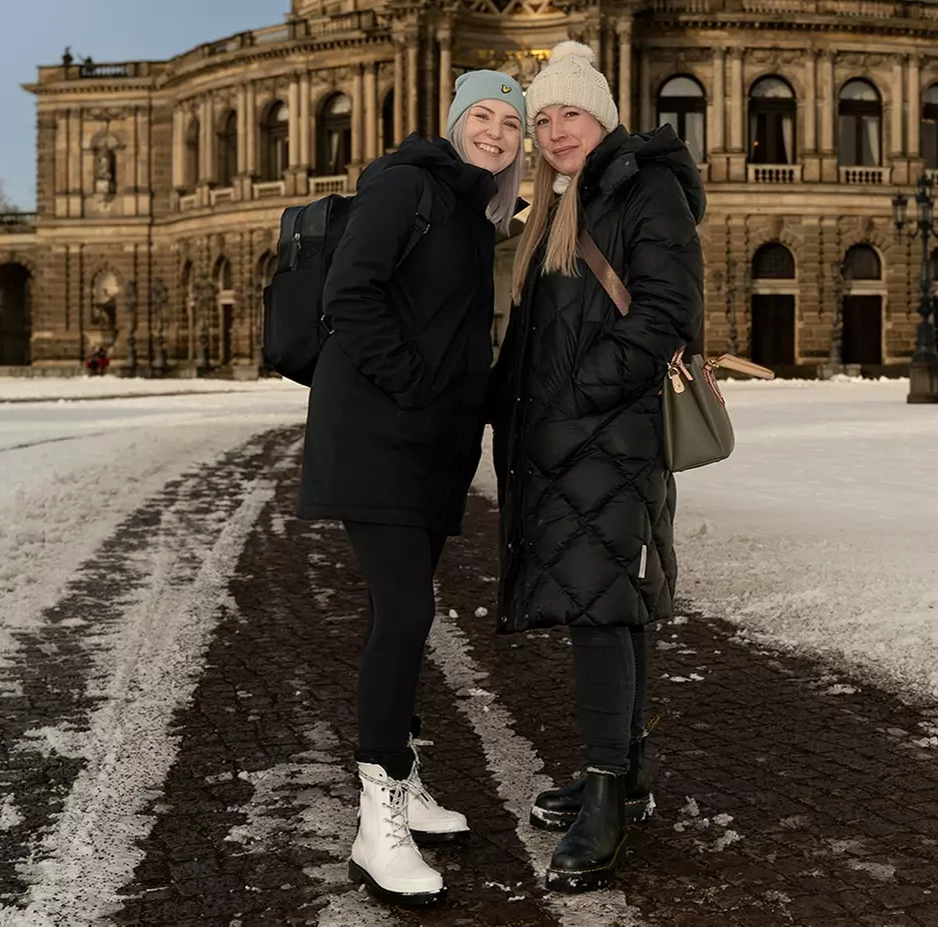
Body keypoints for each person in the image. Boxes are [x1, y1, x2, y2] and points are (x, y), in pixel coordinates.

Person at [297, 70, 527, 909]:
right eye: (484, 117)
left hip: (426, 446)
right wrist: (417, 392)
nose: (497, 133)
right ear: (456, 121)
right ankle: (376, 817)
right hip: (377, 436)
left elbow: (456, 342)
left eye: (512, 124)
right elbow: (348, 297)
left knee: (404, 610)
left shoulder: (473, 216)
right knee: (404, 613)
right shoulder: (405, 185)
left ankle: (404, 770)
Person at [489, 41, 704, 893]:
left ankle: (608, 798)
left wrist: (577, 394)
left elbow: (664, 314)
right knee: (610, 609)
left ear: (602, 115)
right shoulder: (562, 201)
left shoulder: (640, 189)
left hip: (607, 439)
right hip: (571, 444)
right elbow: (539, 331)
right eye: (540, 120)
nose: (551, 132)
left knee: (599, 614)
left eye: (566, 113)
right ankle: (623, 772)